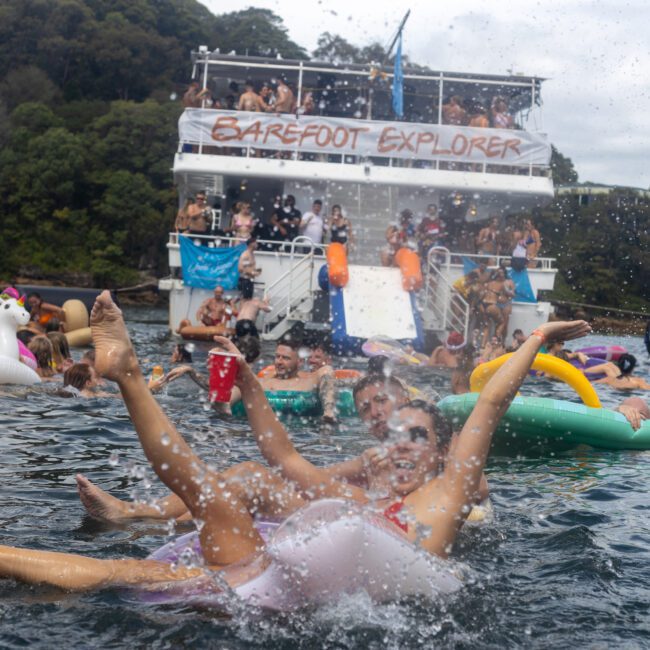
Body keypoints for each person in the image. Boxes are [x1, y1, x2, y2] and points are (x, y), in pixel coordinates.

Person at [0, 292, 590, 593]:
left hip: (327, 596)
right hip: (276, 581)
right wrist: (252, 383)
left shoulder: (449, 494)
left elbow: (490, 403)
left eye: (418, 436)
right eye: (396, 435)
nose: (402, 445)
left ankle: (129, 382)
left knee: (135, 573)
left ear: (440, 451)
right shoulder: (356, 498)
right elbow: (281, 456)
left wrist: (536, 337)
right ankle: (128, 373)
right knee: (195, 509)